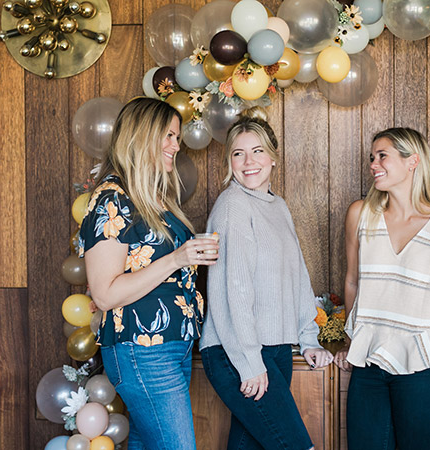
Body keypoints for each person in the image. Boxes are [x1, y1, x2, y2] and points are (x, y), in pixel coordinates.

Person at [79, 97, 219, 450]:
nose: (176, 145)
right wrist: (177, 258)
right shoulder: (113, 199)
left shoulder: (154, 197)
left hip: (173, 346)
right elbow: (105, 294)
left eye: (177, 137)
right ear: (142, 136)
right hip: (142, 350)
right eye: (168, 136)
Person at [199, 107, 333, 450]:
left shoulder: (278, 206)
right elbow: (234, 290)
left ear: (273, 158)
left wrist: (309, 338)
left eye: (257, 151)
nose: (248, 162)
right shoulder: (233, 205)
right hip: (235, 350)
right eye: (238, 154)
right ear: (229, 161)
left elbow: (297, 278)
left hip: (275, 348)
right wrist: (248, 361)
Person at [335, 127, 430, 450]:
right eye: (372, 157)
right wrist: (350, 340)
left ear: (413, 161)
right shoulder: (360, 215)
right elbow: (353, 281)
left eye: (382, 156)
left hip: (428, 362)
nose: (373, 164)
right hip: (370, 362)